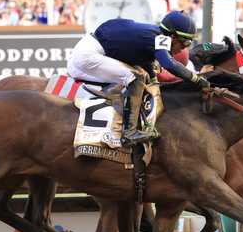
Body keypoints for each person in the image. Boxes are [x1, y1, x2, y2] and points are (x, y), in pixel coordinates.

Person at [67, 11, 209, 146]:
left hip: (87, 52)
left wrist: (154, 80)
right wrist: (196, 79)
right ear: (173, 37)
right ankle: (129, 133)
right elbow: (169, 64)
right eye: (185, 43)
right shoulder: (161, 38)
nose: (183, 49)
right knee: (135, 78)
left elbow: (149, 67)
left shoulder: (152, 35)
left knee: (139, 77)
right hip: (88, 55)